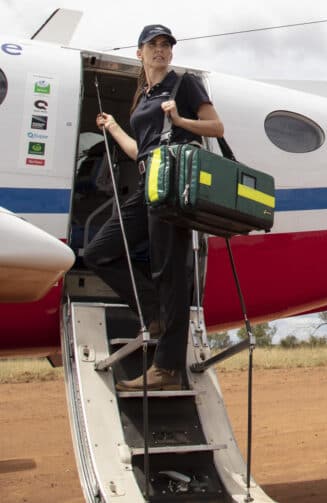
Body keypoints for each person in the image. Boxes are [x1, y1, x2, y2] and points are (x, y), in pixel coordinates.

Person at [83, 24, 224, 391]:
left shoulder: (184, 84)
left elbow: (216, 127)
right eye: (153, 45)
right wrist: (114, 127)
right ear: (139, 53)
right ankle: (154, 314)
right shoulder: (142, 95)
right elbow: (138, 150)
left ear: (171, 53)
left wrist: (179, 121)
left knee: (168, 271)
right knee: (99, 252)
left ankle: (168, 368)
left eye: (166, 45)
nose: (160, 51)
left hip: (173, 183)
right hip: (147, 180)